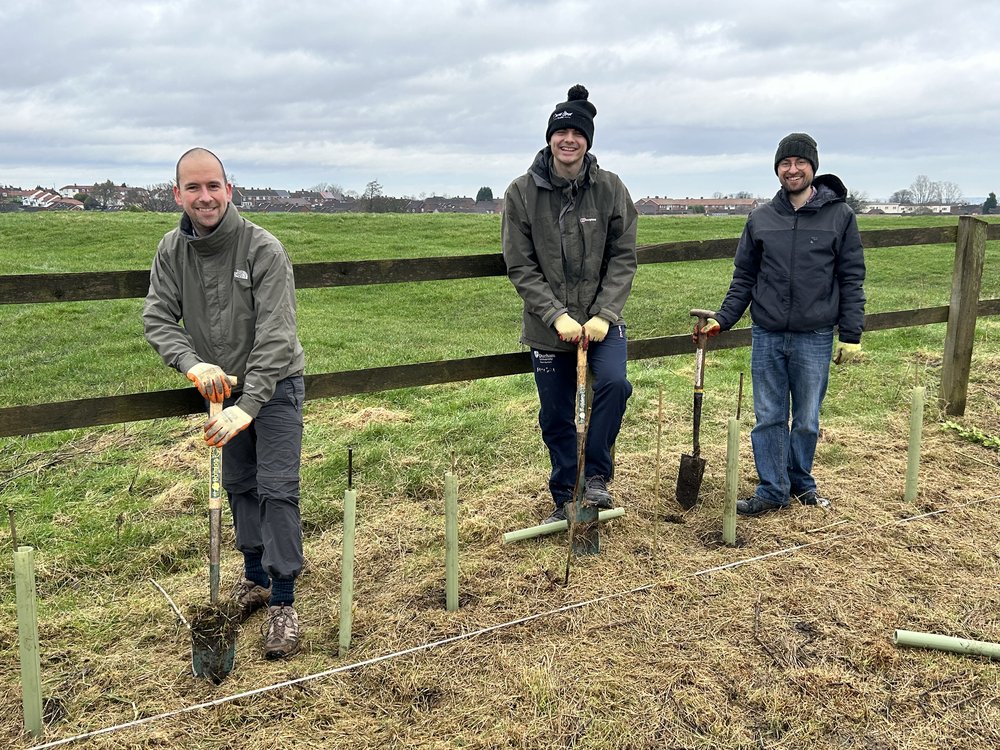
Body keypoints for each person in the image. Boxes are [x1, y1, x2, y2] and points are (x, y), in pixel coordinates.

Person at [143, 147, 306, 657]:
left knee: (276, 488)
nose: (204, 196)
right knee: (237, 486)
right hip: (219, 393)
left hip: (274, 388)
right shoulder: (172, 250)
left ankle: (283, 601)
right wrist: (193, 364)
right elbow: (157, 318)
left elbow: (278, 337)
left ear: (229, 189)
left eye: (213, 186)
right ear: (178, 195)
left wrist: (250, 401)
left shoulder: (263, 249)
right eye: (193, 188)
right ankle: (253, 579)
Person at [695, 133, 866, 516]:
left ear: (813, 168)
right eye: (785, 163)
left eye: (799, 163)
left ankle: (801, 483)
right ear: (777, 169)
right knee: (769, 416)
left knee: (806, 418)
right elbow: (744, 277)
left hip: (815, 336)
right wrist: (723, 319)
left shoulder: (840, 216)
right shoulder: (761, 218)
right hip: (768, 334)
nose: (792, 169)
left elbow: (851, 277)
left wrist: (851, 334)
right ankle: (773, 489)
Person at [503, 85, 638, 524]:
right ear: (549, 139)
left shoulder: (610, 188)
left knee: (616, 385)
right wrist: (555, 314)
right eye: (560, 132)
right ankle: (565, 491)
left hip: (603, 323)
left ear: (587, 140)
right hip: (549, 328)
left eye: (577, 133)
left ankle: (596, 476)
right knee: (557, 413)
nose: (568, 140)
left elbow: (623, 257)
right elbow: (520, 265)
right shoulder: (521, 193)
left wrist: (603, 315)